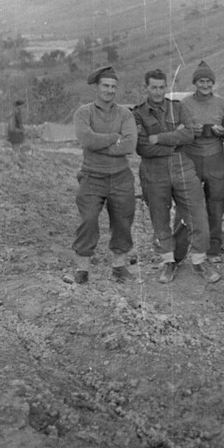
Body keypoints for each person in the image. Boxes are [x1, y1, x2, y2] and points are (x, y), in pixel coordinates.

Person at [132, 68, 220, 284]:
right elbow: (142, 147)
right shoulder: (137, 114)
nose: (158, 92)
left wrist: (158, 137)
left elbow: (189, 134)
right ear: (147, 88)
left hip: (182, 167)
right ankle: (168, 261)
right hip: (154, 171)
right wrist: (173, 142)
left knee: (198, 213)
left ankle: (200, 260)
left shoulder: (178, 107)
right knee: (160, 218)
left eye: (162, 87)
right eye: (154, 87)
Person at [72, 65, 138, 284]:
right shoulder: (84, 112)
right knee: (89, 219)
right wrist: (112, 137)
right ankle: (82, 268)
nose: (109, 90)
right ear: (97, 88)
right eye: (105, 86)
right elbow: (87, 140)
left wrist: (99, 142)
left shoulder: (125, 113)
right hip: (92, 176)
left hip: (121, 176)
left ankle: (119, 266)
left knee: (122, 221)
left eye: (113, 87)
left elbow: (130, 145)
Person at [182, 60, 224, 264]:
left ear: (213, 83)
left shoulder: (222, 104)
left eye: (209, 81)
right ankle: (189, 246)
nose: (205, 85)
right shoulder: (185, 104)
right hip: (191, 158)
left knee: (216, 204)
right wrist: (190, 131)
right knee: (189, 203)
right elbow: (177, 130)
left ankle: (214, 248)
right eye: (201, 81)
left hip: (216, 158)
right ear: (195, 83)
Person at [7, 99, 26, 166]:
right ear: (19, 106)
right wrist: (20, 130)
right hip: (15, 134)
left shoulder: (17, 113)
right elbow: (12, 127)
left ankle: (15, 161)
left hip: (16, 134)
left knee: (16, 149)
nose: (23, 108)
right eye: (22, 106)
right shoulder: (14, 114)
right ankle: (15, 162)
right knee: (16, 149)